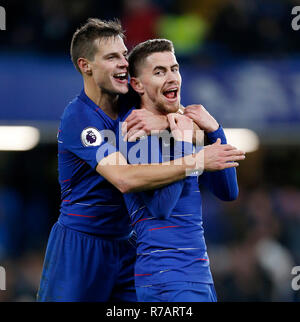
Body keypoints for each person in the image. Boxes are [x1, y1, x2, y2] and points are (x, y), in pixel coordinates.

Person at [37, 18, 245, 302]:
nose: (124, 62)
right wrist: (195, 158)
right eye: (112, 57)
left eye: (124, 54)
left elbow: (178, 114)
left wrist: (166, 122)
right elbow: (124, 178)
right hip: (81, 245)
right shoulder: (79, 118)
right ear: (86, 66)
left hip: (129, 244)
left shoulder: (129, 102)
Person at [118, 38, 242, 302]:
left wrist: (214, 130)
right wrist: (186, 146)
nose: (172, 77)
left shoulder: (180, 129)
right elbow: (161, 208)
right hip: (167, 277)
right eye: (159, 72)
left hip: (196, 274)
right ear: (137, 84)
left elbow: (228, 191)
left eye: (174, 68)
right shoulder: (137, 133)